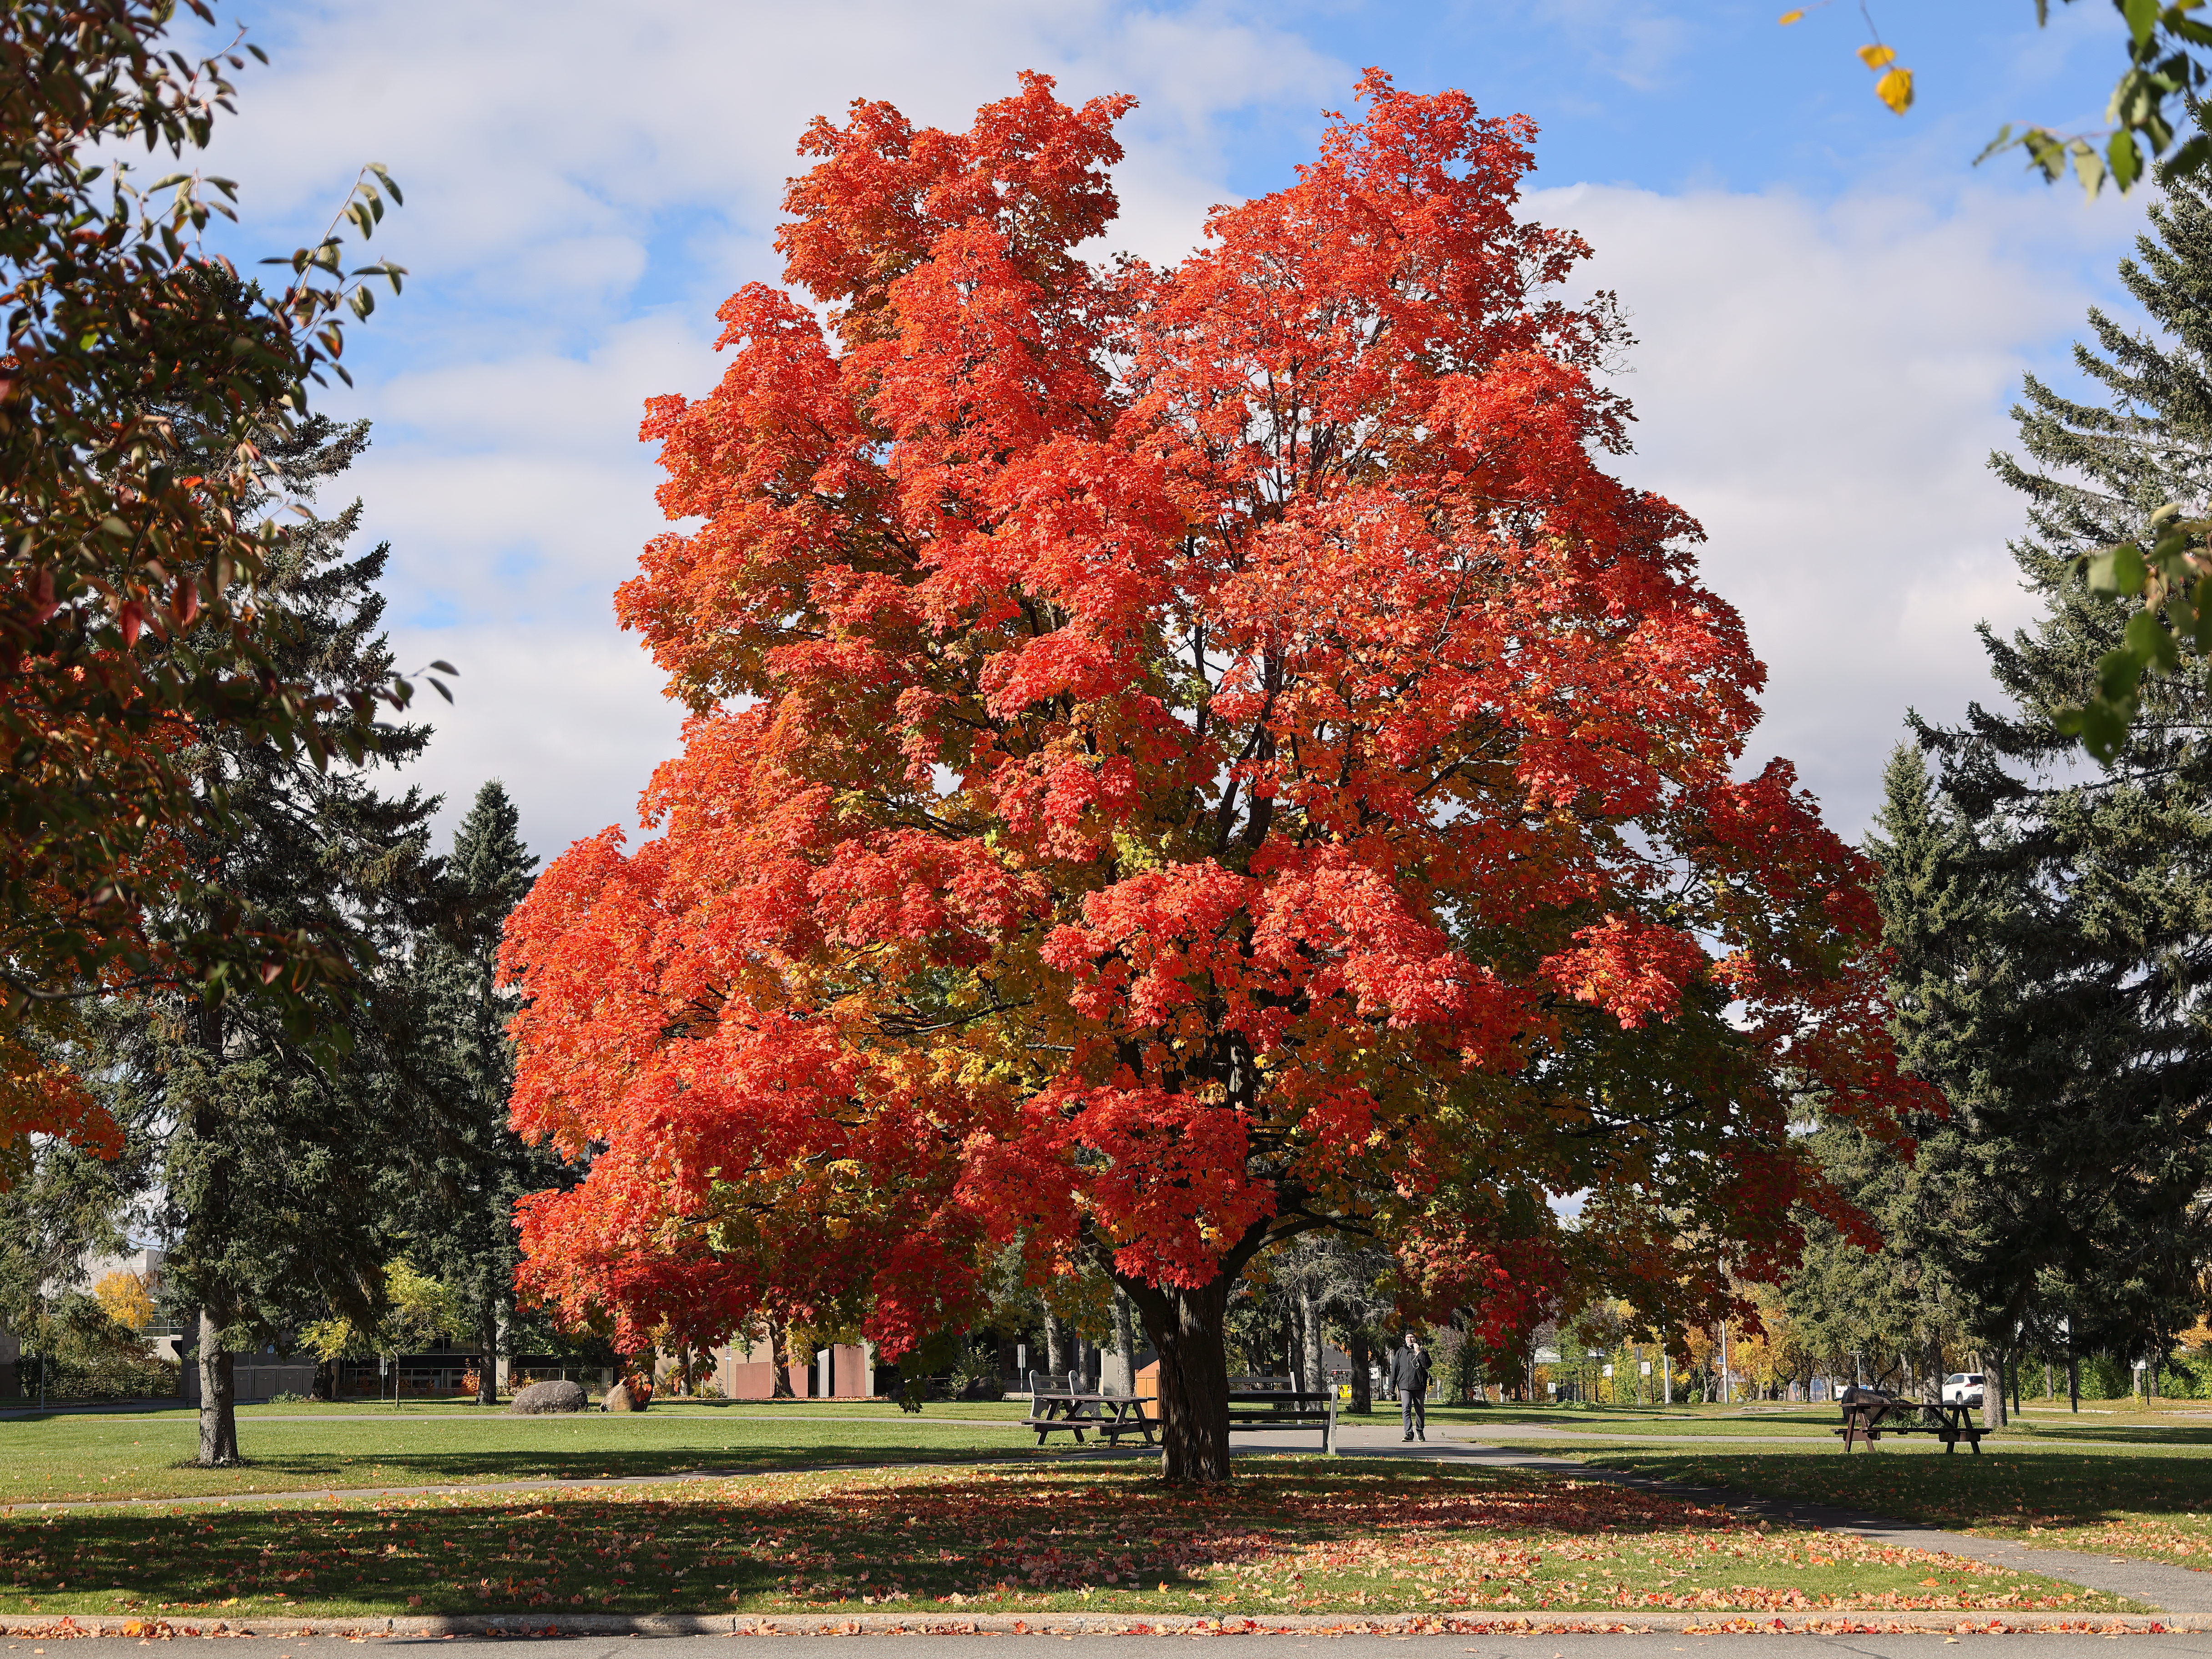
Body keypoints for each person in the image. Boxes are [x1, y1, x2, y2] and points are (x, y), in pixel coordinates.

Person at [1391, 1334, 1431, 1442]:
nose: (1410, 1339)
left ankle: (1420, 1430)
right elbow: (1395, 1370)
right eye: (1408, 1337)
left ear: (1416, 1339)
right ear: (1405, 1339)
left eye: (1412, 1337)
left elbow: (1427, 1365)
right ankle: (1409, 1434)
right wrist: (1392, 1387)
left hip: (1419, 1385)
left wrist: (1419, 1352)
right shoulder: (1401, 1352)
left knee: (1420, 1410)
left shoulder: (1422, 1351)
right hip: (1404, 1385)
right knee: (1406, 1409)